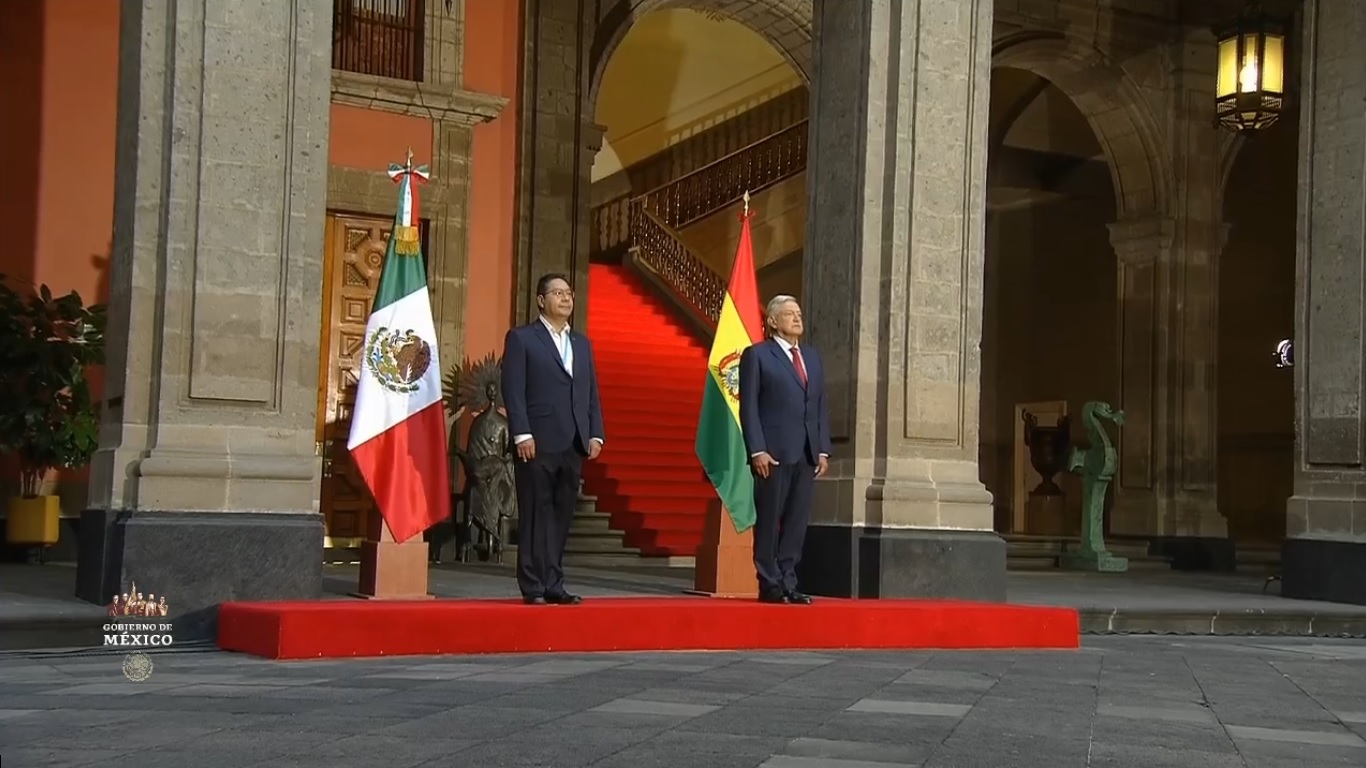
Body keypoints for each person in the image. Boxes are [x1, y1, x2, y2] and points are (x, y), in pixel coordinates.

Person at [501, 273, 605, 605]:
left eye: (569, 293)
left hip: (573, 440)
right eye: (557, 293)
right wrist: (522, 433)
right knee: (535, 512)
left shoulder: (581, 344)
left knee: (562, 514)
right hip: (537, 439)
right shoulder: (522, 339)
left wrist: (595, 432)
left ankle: (553, 582)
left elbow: (590, 394)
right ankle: (532, 584)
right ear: (540, 300)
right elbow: (513, 389)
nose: (565, 298)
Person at [738, 294, 831, 604]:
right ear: (773, 321)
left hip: (806, 453)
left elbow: (819, 406)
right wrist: (757, 450)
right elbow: (748, 407)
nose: (797, 318)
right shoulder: (758, 356)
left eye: (799, 313)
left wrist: (822, 449)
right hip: (773, 454)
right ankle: (770, 583)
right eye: (789, 314)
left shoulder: (813, 358)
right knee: (769, 520)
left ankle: (789, 581)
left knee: (796, 522)